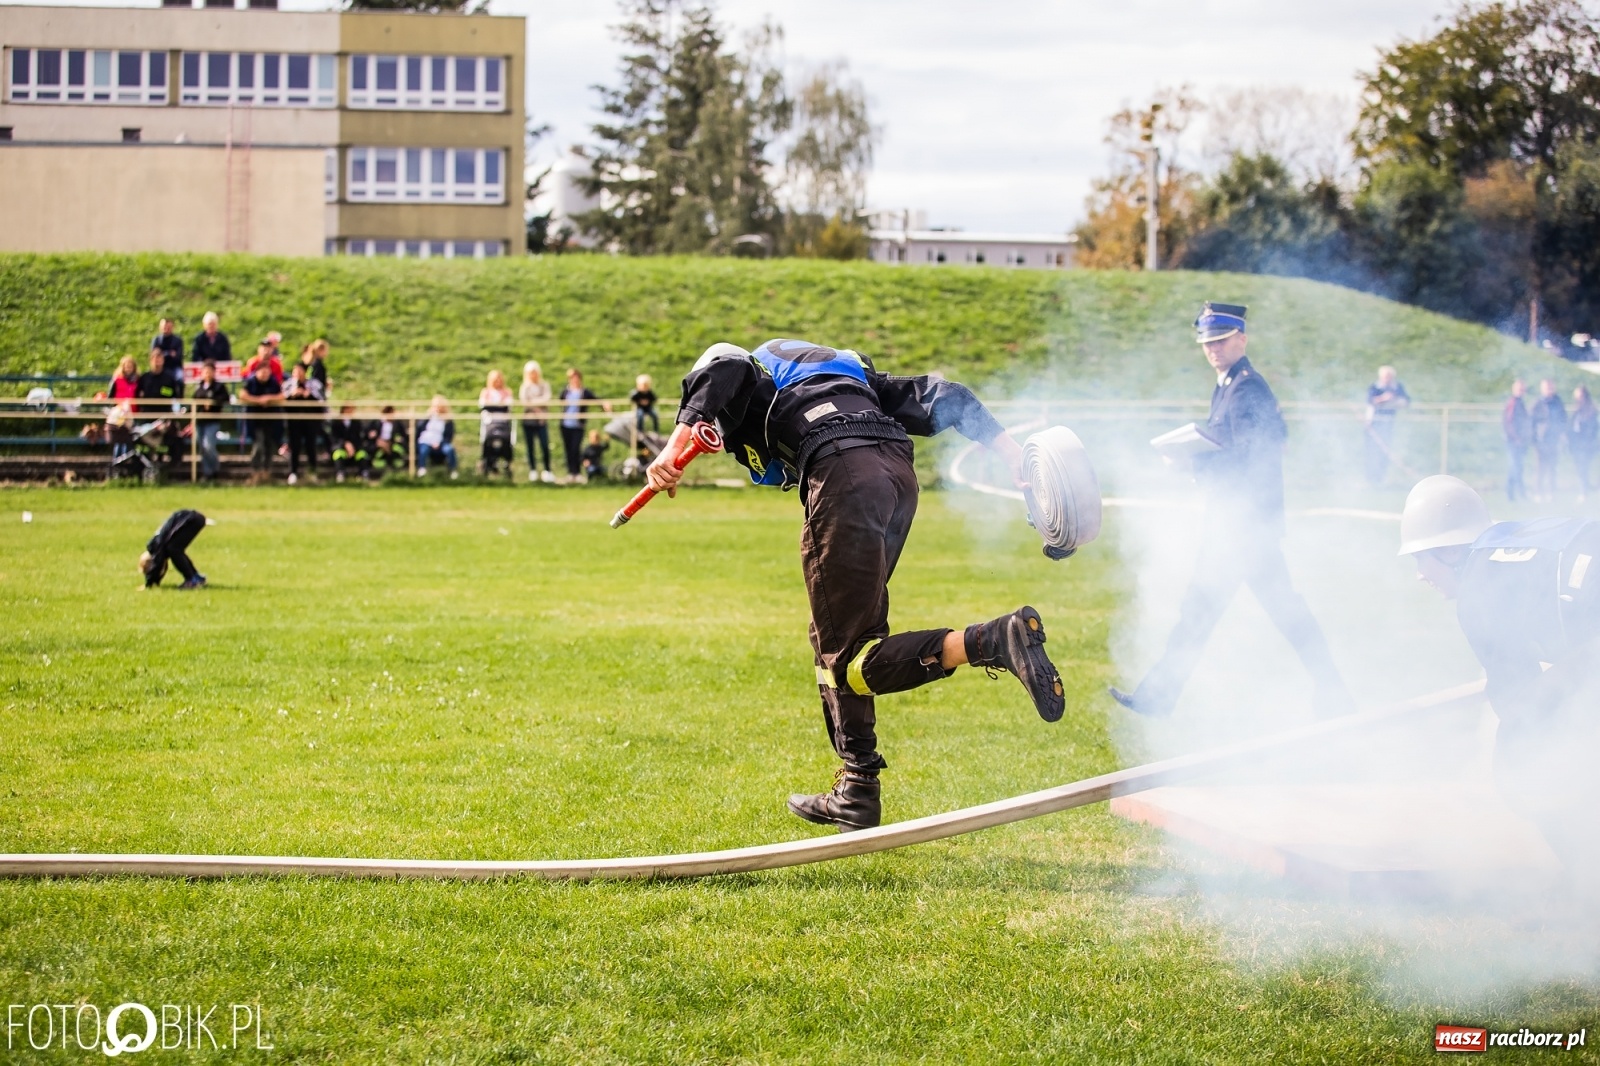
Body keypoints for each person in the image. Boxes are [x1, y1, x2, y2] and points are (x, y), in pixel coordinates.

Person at [645, 339, 1067, 832]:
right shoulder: (843, 376)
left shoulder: (744, 370)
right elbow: (946, 396)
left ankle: (992, 640)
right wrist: (1013, 454)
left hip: (842, 473)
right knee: (838, 640)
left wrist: (672, 448)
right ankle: (858, 787)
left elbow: (725, 368)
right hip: (897, 477)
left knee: (848, 661)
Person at [1109, 302, 1353, 719]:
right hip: (1238, 524)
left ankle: (1160, 696)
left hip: (1245, 526)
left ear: (1242, 338)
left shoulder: (1247, 389)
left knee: (1220, 612)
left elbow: (1251, 456)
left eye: (1221, 340)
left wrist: (1192, 462)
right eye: (1208, 342)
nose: (1213, 349)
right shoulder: (1228, 386)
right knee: (1256, 612)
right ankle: (1333, 692)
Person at [1397, 475, 1600, 885]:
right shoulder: (1508, 541)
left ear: (1451, 550)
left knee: (1518, 765)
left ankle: (1587, 877)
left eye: (1421, 558)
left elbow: (1518, 703)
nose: (1420, 575)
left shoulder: (1477, 590)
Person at [135, 348, 183, 472]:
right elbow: (137, 397)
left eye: (159, 358)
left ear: (163, 360)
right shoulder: (144, 378)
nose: (157, 361)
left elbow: (175, 397)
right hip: (147, 418)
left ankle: (169, 466)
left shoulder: (169, 378)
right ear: (150, 360)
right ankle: (142, 466)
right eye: (154, 359)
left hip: (164, 418)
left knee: (174, 438)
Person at [1363, 365, 1410, 487]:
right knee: (1372, 452)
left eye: (1389, 377)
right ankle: (1371, 479)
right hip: (1374, 424)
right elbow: (1370, 401)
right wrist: (1383, 398)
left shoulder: (1397, 387)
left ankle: (1380, 478)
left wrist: (1395, 400)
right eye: (1385, 377)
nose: (1387, 379)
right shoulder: (1375, 387)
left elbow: (1406, 401)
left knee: (1384, 453)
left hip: (1388, 424)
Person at [239, 359, 284, 483]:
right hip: (255, 421)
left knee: (269, 445)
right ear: (257, 372)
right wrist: (258, 400)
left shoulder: (273, 382)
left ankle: (266, 472)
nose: (264, 374)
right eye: (262, 372)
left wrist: (269, 398)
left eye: (267, 372)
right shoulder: (251, 382)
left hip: (270, 420)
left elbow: (282, 396)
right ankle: (255, 472)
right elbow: (242, 395)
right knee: (258, 445)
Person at [139, 509, 208, 590]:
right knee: (175, 549)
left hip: (191, 520)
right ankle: (196, 577)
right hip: (193, 518)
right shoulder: (156, 545)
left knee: (174, 550)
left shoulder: (156, 548)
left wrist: (149, 584)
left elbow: (157, 565)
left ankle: (192, 580)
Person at [282, 361, 326, 484]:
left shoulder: (314, 384)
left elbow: (322, 402)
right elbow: (281, 402)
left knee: (311, 446)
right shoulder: (288, 385)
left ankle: (313, 472)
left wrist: (309, 395)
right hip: (293, 421)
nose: (298, 374)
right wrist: (292, 395)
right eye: (295, 371)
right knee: (294, 447)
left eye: (300, 371)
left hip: (310, 421)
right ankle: (293, 472)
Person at [559, 368, 604, 483]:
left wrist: (604, 405)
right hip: (566, 425)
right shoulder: (566, 391)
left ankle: (577, 472)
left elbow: (595, 399)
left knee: (575, 449)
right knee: (568, 449)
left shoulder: (584, 392)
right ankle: (570, 473)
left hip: (578, 425)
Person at [190, 360, 232, 482]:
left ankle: (215, 469)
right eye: (205, 372)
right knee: (202, 448)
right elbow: (194, 401)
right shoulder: (199, 387)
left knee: (209, 446)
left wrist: (213, 402)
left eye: (210, 371)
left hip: (212, 421)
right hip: (200, 421)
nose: (207, 374)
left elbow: (225, 399)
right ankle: (207, 473)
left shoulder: (219, 387)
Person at [1532, 378, 1566, 502]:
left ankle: (1551, 492)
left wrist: (1562, 434)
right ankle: (1538, 492)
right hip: (1541, 441)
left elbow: (1563, 418)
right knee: (1540, 468)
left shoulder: (1558, 402)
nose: (1550, 390)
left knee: (1552, 468)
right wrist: (1534, 439)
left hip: (1554, 440)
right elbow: (1531, 422)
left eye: (1551, 387)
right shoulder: (1537, 403)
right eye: (1547, 388)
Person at [520, 361, 554, 483]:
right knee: (530, 447)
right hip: (529, 421)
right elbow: (524, 401)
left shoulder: (544, 385)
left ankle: (547, 470)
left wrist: (533, 403)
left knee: (544, 445)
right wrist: (538, 407)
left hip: (541, 421)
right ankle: (533, 470)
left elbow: (546, 398)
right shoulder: (525, 386)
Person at [479, 369, 516, 477]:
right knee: (488, 440)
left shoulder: (507, 391)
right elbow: (483, 405)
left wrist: (493, 405)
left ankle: (506, 463)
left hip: (503, 422)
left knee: (506, 440)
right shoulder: (485, 392)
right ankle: (488, 463)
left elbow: (508, 405)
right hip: (490, 423)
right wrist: (499, 405)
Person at [416, 395, 458, 478]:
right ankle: (422, 469)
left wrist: (439, 443)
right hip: (426, 441)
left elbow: (449, 435)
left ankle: (453, 470)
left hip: (441, 443)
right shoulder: (427, 417)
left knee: (449, 450)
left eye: (439, 407)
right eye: (435, 406)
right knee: (424, 450)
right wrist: (427, 417)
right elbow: (419, 428)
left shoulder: (447, 420)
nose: (437, 409)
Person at [1503, 379, 1531, 501]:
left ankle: (1519, 494)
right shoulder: (1513, 403)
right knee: (1515, 467)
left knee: (1518, 467)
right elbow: (1509, 423)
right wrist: (1516, 438)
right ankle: (1512, 494)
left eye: (1523, 389)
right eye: (1520, 389)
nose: (1522, 391)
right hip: (1513, 442)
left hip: (1520, 441)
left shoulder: (1520, 403)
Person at [330, 405, 370, 483]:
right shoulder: (335, 423)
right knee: (338, 454)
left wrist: (353, 446)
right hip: (340, 447)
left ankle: (363, 473)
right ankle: (340, 474)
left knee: (362, 454)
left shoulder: (356, 423)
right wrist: (345, 444)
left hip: (355, 448)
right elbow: (334, 438)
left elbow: (359, 437)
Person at [1571, 385, 1597, 503]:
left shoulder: (1590, 410)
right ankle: (1585, 489)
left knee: (1583, 468)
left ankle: (1584, 492)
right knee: (1580, 468)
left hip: (1586, 445)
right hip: (1577, 444)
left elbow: (1592, 429)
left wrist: (1586, 441)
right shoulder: (1577, 409)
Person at [368, 405, 409, 477]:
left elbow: (404, 436)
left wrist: (398, 439)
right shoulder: (376, 423)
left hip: (393, 444)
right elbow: (368, 434)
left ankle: (394, 469)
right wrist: (373, 436)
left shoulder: (397, 424)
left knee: (395, 450)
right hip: (379, 445)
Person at [151, 318, 184, 382]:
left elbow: (178, 357)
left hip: (174, 367)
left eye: (168, 327)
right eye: (164, 327)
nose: (166, 329)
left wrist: (162, 354)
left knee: (180, 378)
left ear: (172, 328)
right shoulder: (156, 340)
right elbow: (154, 356)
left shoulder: (178, 341)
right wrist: (169, 353)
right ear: (160, 327)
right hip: (160, 367)